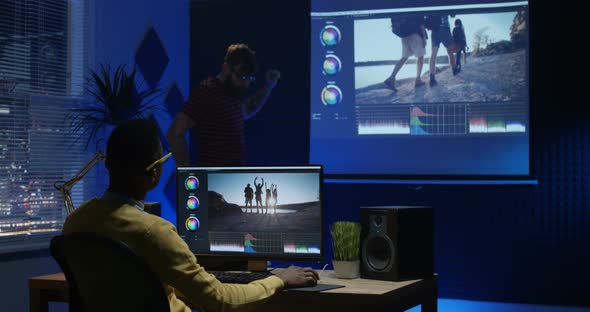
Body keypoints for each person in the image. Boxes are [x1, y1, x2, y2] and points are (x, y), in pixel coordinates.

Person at [63, 119, 319, 312]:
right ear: (154, 174)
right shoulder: (154, 231)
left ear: (107, 163)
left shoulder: (76, 222)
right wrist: (276, 279)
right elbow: (219, 300)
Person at [167, 43, 281, 167]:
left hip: (230, 180)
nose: (245, 83)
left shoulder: (231, 93)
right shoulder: (207, 91)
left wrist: (268, 86)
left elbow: (247, 109)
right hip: (214, 180)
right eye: (242, 76)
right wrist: (187, 174)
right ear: (226, 68)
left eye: (250, 78)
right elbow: (175, 133)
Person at [384, 15, 428, 91]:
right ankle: (418, 80)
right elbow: (421, 24)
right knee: (420, 57)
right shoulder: (416, 7)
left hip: (404, 36)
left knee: (404, 57)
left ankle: (391, 78)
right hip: (415, 34)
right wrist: (424, 38)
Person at [425, 14, 457, 86]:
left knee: (433, 54)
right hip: (444, 28)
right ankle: (454, 69)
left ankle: (432, 78)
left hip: (434, 31)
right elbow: (453, 14)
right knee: (450, 52)